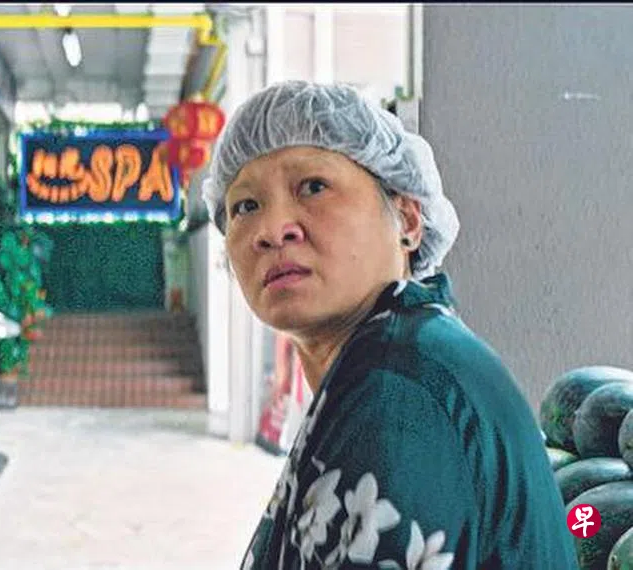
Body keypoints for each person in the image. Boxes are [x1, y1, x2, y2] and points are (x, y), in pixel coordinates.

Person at [202, 81, 575, 570]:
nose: (272, 230)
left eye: (313, 186)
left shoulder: (398, 392)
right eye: (246, 206)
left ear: (408, 220)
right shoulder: (408, 355)